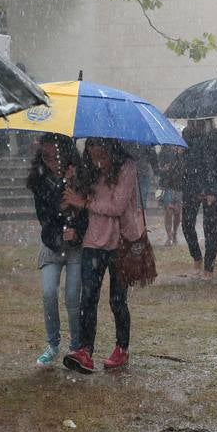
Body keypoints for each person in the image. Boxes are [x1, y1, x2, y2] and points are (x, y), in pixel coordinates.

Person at [61, 137, 143, 373]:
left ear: (109, 144)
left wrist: (84, 202)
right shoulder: (87, 167)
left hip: (121, 242)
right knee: (88, 298)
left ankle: (122, 348)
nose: (94, 149)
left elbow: (117, 207)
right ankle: (85, 351)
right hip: (93, 241)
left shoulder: (127, 167)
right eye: (90, 145)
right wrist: (70, 181)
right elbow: (72, 202)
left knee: (117, 300)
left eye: (97, 144)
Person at [27, 133, 87, 367]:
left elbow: (87, 212)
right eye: (45, 156)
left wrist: (77, 233)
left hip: (75, 247)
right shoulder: (39, 179)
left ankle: (75, 346)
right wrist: (61, 189)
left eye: (54, 156)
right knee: (48, 292)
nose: (50, 161)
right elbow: (45, 215)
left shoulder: (81, 177)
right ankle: (52, 344)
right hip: (52, 244)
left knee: (73, 297)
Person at [179, 118, 217, 280]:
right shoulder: (186, 135)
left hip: (210, 186)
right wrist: (179, 153)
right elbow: (185, 162)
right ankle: (197, 258)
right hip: (191, 185)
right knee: (187, 224)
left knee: (210, 228)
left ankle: (209, 267)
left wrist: (213, 190)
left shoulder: (216, 136)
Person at [156, 144, 185, 245]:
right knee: (168, 211)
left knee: (177, 213)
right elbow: (158, 169)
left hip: (179, 186)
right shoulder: (163, 153)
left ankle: (175, 233)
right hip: (167, 186)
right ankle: (169, 236)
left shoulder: (182, 154)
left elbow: (184, 170)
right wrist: (164, 168)